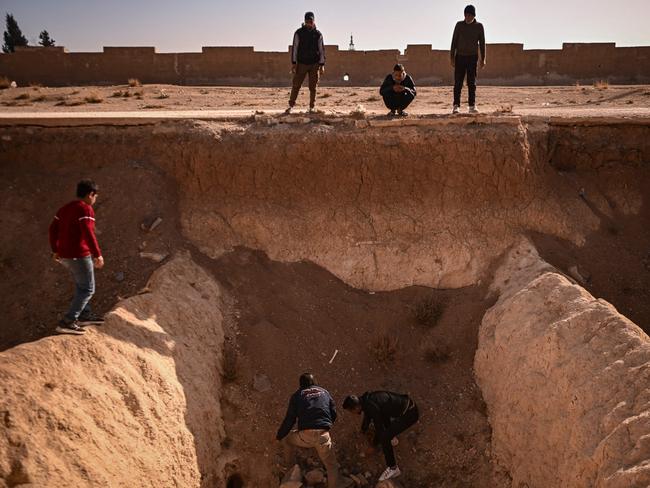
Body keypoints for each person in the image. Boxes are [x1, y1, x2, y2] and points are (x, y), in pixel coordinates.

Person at [49, 179, 105, 335]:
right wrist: (97, 254)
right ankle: (68, 321)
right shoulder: (85, 209)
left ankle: (84, 315)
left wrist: (55, 249)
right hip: (79, 254)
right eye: (95, 196)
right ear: (90, 194)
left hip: (65, 255)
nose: (95, 199)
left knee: (81, 285)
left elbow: (52, 229)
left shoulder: (65, 209)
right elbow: (88, 232)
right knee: (88, 289)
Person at [277, 373, 341, 488]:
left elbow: (290, 419)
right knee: (332, 467)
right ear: (314, 382)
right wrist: (325, 425)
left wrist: (280, 435)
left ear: (301, 385)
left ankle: (290, 470)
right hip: (323, 435)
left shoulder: (297, 395)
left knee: (287, 439)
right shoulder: (325, 392)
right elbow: (334, 413)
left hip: (306, 435)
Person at [343, 391, 419, 482]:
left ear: (356, 407)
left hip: (410, 414)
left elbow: (379, 429)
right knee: (383, 415)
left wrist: (373, 446)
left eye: (351, 411)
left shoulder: (371, 407)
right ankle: (392, 438)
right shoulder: (366, 401)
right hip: (408, 407)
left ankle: (393, 468)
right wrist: (363, 430)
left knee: (384, 437)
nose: (352, 413)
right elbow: (368, 416)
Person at [286, 11, 326, 114]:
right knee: (296, 85)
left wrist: (322, 65)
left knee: (313, 87)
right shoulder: (299, 33)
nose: (309, 23)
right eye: (307, 21)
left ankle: (312, 107)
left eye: (311, 21)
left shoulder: (318, 34)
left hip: (314, 64)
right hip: (302, 63)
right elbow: (295, 48)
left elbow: (321, 50)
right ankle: (291, 106)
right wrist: (294, 63)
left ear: (314, 21)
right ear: (304, 21)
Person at [450, 4, 486, 114]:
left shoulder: (479, 26)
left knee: (472, 82)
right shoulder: (459, 25)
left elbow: (482, 43)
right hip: (460, 57)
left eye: (470, 15)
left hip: (472, 58)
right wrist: (452, 57)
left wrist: (483, 58)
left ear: (474, 16)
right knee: (458, 82)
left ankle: (472, 106)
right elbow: (454, 42)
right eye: (466, 15)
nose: (468, 17)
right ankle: (456, 106)